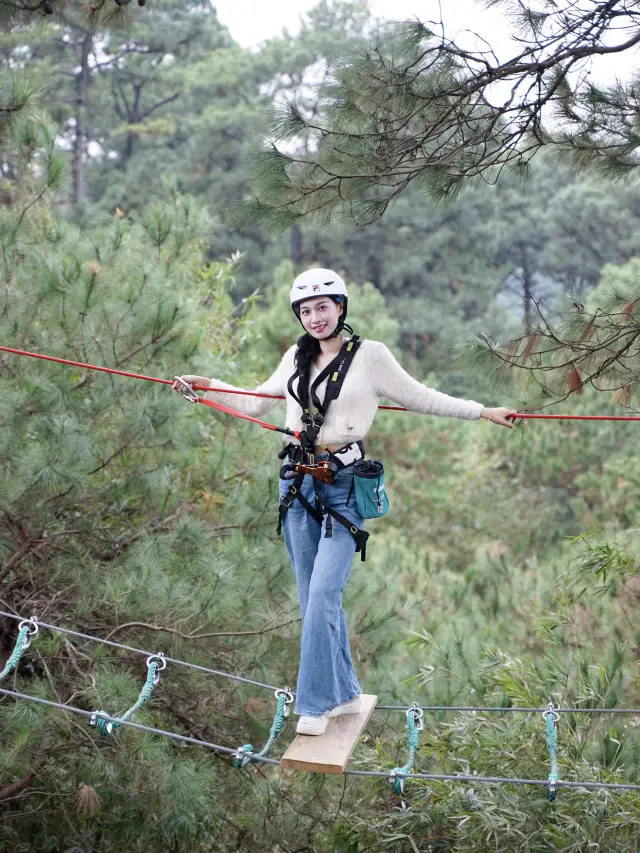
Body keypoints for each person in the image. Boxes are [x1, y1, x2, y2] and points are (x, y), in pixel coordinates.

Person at [173, 268, 515, 736]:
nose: (315, 317)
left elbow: (421, 397)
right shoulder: (296, 356)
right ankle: (345, 693)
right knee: (311, 599)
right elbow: (255, 402)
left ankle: (313, 705)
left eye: (323, 307)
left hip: (343, 486)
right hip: (297, 484)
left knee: (323, 594)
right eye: (306, 310)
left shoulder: (370, 357)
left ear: (341, 309)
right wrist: (205, 385)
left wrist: (482, 411)